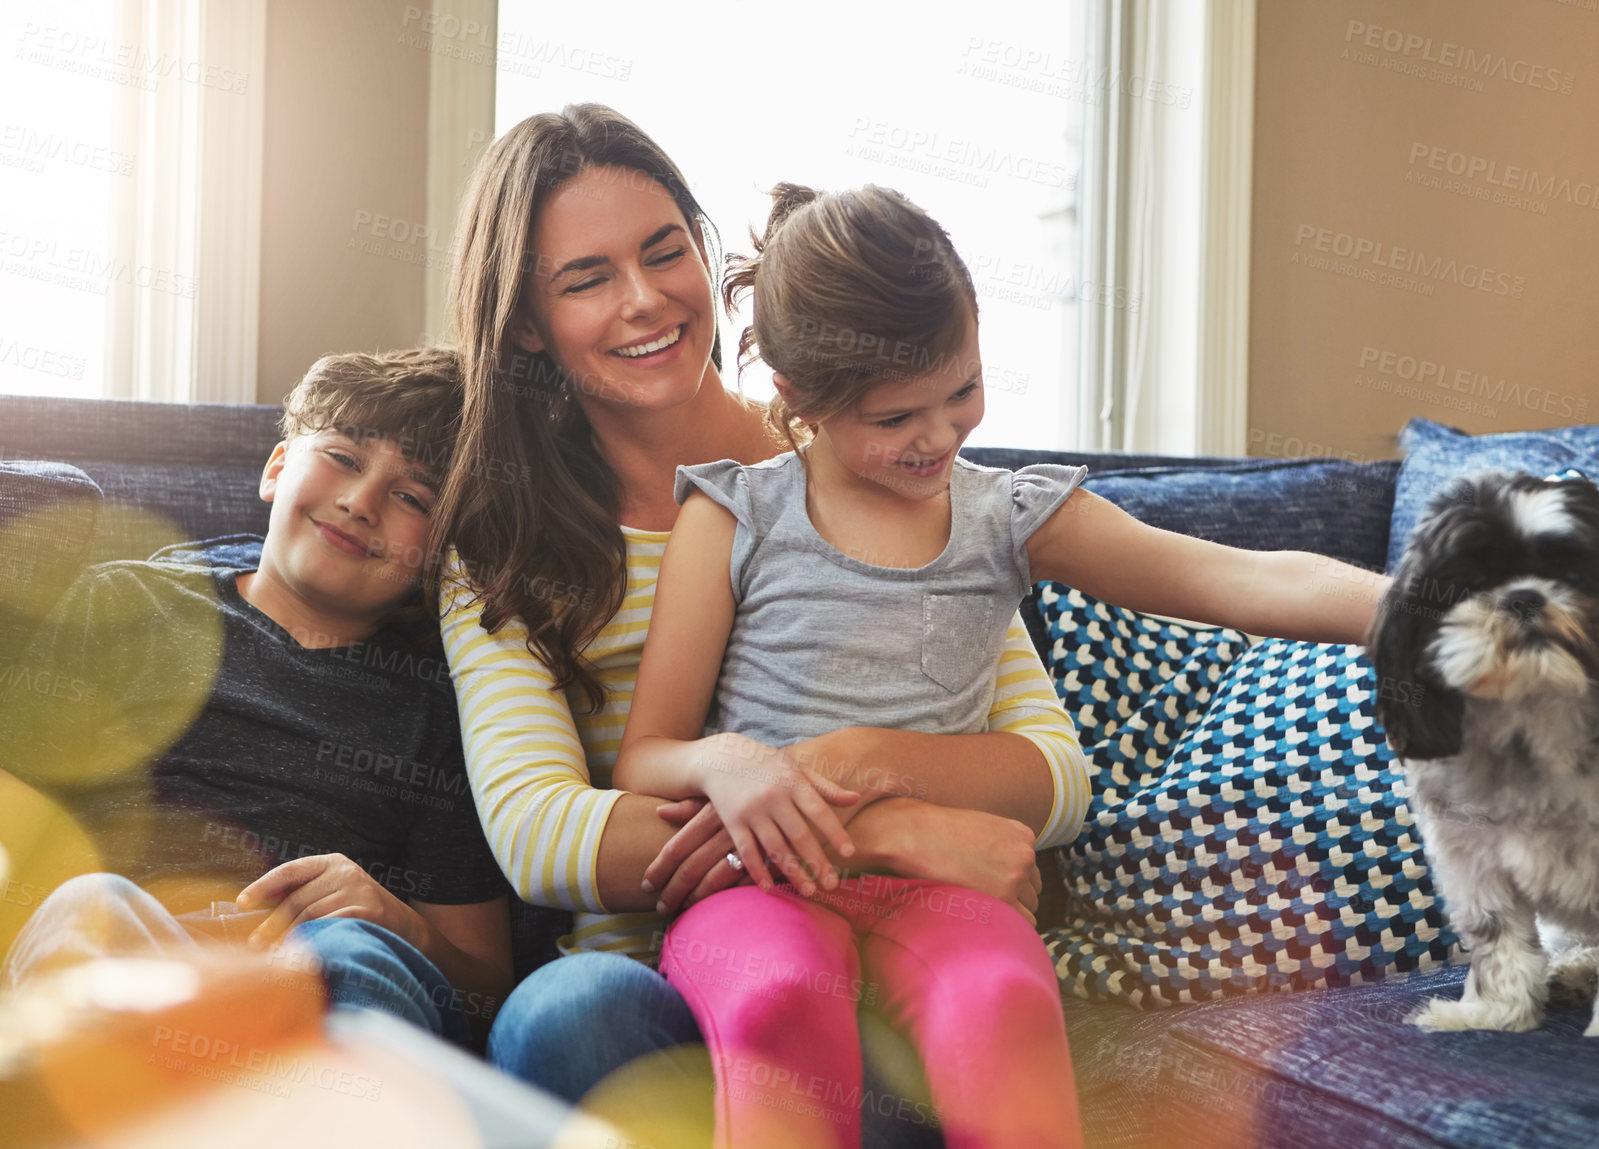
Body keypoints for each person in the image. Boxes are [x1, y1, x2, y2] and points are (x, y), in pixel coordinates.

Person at [612, 183, 1386, 1148]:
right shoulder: (731, 516)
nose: (937, 437)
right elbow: (645, 755)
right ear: (796, 398)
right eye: (896, 418)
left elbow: (1238, 580)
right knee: (776, 1001)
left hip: (942, 890)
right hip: (760, 886)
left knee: (1004, 999)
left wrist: (1424, 610)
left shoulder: (1010, 516)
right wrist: (725, 761)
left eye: (962, 392)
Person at [430, 104, 1091, 1145]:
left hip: (895, 963)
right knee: (568, 1014)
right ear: (525, 323)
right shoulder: (504, 547)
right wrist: (883, 829)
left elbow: (1049, 771)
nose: (645, 300)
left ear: (710, 254)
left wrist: (861, 763)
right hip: (651, 987)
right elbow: (542, 835)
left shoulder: (868, 454)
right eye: (587, 278)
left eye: (665, 252)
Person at [1, 348, 513, 1050]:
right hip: (126, 965)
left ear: (442, 556)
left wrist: (398, 919)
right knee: (94, 904)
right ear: (276, 468)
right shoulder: (125, 603)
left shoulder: (436, 712)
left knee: (356, 951)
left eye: (412, 498)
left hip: (306, 991)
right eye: (342, 457)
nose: (360, 503)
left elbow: (487, 985)